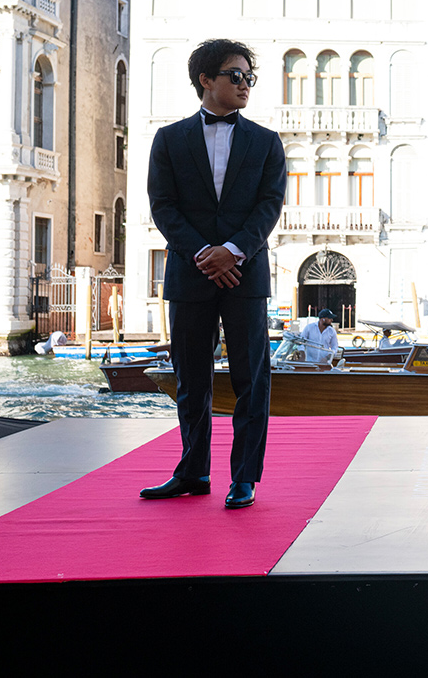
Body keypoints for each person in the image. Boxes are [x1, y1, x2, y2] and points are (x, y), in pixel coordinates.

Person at [140, 39, 286, 510]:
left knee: (252, 380)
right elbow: (163, 207)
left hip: (245, 275)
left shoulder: (266, 141)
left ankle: (244, 477)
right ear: (206, 79)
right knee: (191, 382)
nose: (245, 85)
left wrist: (233, 252)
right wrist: (205, 252)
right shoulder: (168, 139)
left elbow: (269, 206)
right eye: (235, 75)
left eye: (249, 77)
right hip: (190, 272)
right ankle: (193, 472)